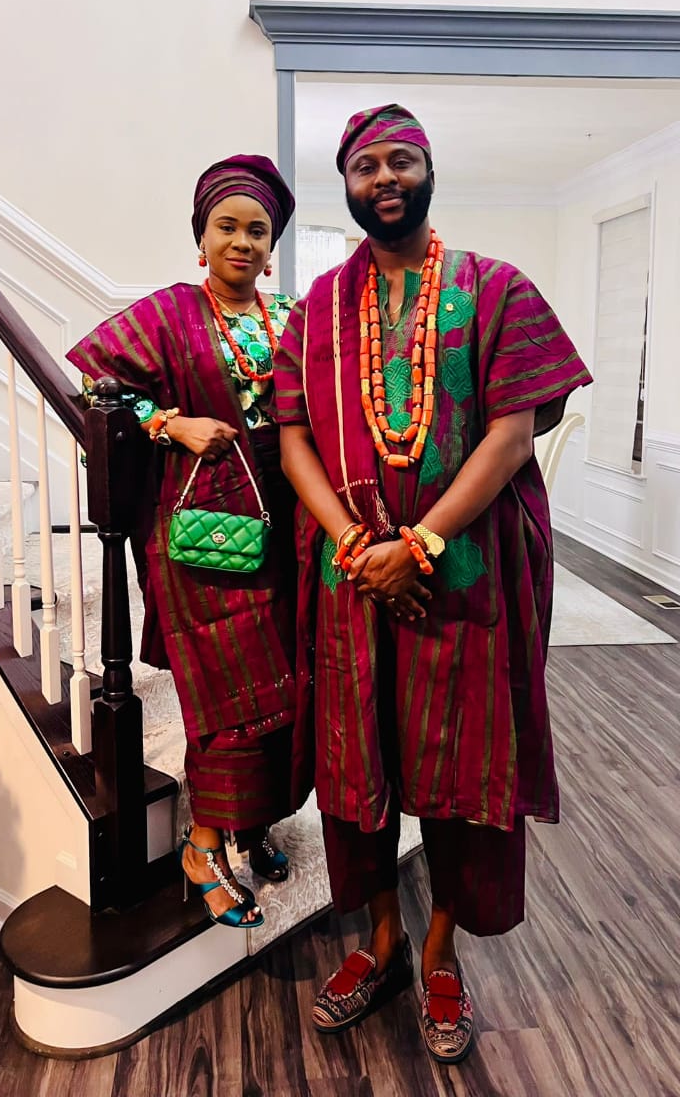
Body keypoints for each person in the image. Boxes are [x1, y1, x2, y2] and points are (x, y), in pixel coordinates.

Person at [274, 105, 592, 1061]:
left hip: (464, 579)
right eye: (366, 164)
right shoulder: (317, 307)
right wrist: (355, 546)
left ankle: (443, 950)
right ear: (346, 183)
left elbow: (511, 431)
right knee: (357, 766)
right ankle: (381, 939)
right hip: (349, 577)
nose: (384, 178)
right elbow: (292, 437)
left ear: (427, 170)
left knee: (457, 769)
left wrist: (416, 546)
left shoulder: (498, 291)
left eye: (400, 159)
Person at [68, 154, 298, 930]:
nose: (243, 241)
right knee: (228, 698)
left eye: (258, 230)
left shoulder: (291, 317)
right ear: (201, 238)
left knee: (282, 691)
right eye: (227, 226)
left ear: (272, 247)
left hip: (282, 524)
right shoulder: (166, 314)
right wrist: (167, 422)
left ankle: (251, 825)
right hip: (201, 537)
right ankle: (202, 846)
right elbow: (90, 388)